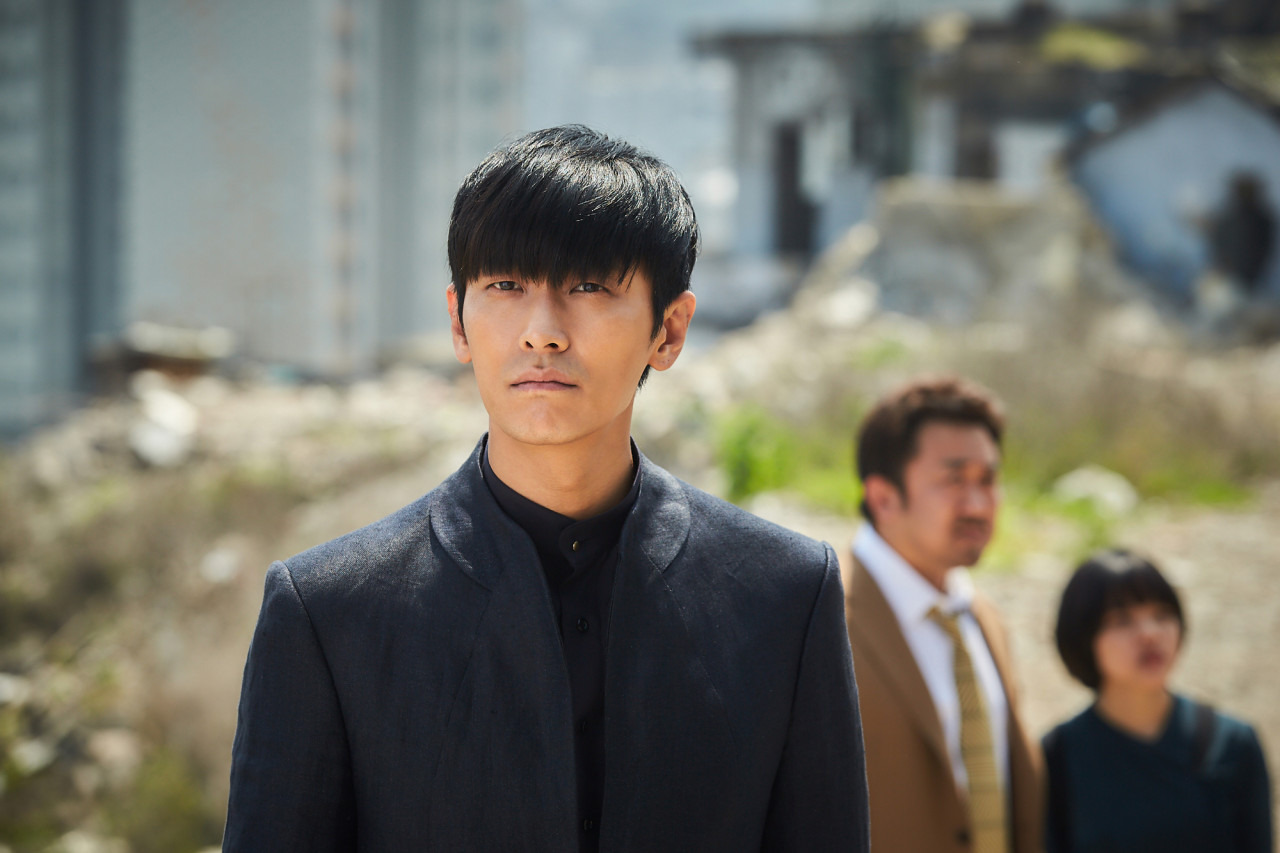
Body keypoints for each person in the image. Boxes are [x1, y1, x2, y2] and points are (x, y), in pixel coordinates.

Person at [223, 125, 869, 852]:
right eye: (506, 285)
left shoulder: (785, 594)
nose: (542, 332)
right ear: (458, 322)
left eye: (588, 286)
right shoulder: (328, 612)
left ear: (669, 329)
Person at [839, 376, 1042, 853]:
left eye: (988, 480)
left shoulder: (981, 616)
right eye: (954, 479)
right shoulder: (823, 618)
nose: (979, 504)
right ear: (883, 497)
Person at [1044, 549, 1272, 853]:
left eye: (1162, 615)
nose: (1150, 634)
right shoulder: (1057, 757)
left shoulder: (1232, 743)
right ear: (1082, 637)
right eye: (1122, 620)